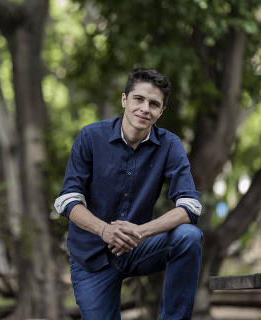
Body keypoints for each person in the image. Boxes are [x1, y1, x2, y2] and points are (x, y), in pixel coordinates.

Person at [54, 68, 203, 319]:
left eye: (154, 104)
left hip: (137, 246)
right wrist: (105, 230)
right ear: (124, 99)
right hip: (91, 256)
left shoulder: (169, 145)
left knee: (188, 237)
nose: (145, 108)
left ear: (161, 111)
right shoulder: (91, 137)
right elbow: (67, 200)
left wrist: (141, 231)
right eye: (139, 99)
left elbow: (190, 206)